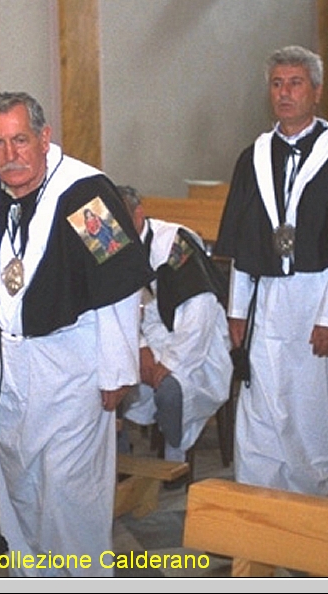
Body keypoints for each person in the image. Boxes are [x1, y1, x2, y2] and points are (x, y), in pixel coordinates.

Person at [0, 92, 148, 577]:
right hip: (4, 362)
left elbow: (118, 287)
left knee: (68, 495)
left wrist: (118, 368)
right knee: (19, 490)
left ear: (44, 137)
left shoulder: (84, 195)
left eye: (20, 140)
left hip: (71, 366)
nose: (10, 155)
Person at [214, 46, 328, 496]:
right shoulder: (252, 158)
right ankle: (263, 505)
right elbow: (243, 244)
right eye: (277, 84)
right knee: (264, 406)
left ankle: (321, 504)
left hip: (322, 298)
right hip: (268, 304)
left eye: (295, 83)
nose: (285, 93)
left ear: (316, 91)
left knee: (318, 408)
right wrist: (237, 311)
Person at [115, 185, 232, 464]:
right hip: (145, 336)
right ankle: (119, 462)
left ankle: (174, 459)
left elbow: (200, 312)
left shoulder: (175, 243)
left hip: (195, 344)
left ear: (139, 215)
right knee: (107, 376)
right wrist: (141, 346)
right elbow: (114, 306)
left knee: (170, 389)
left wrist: (170, 363)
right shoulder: (113, 244)